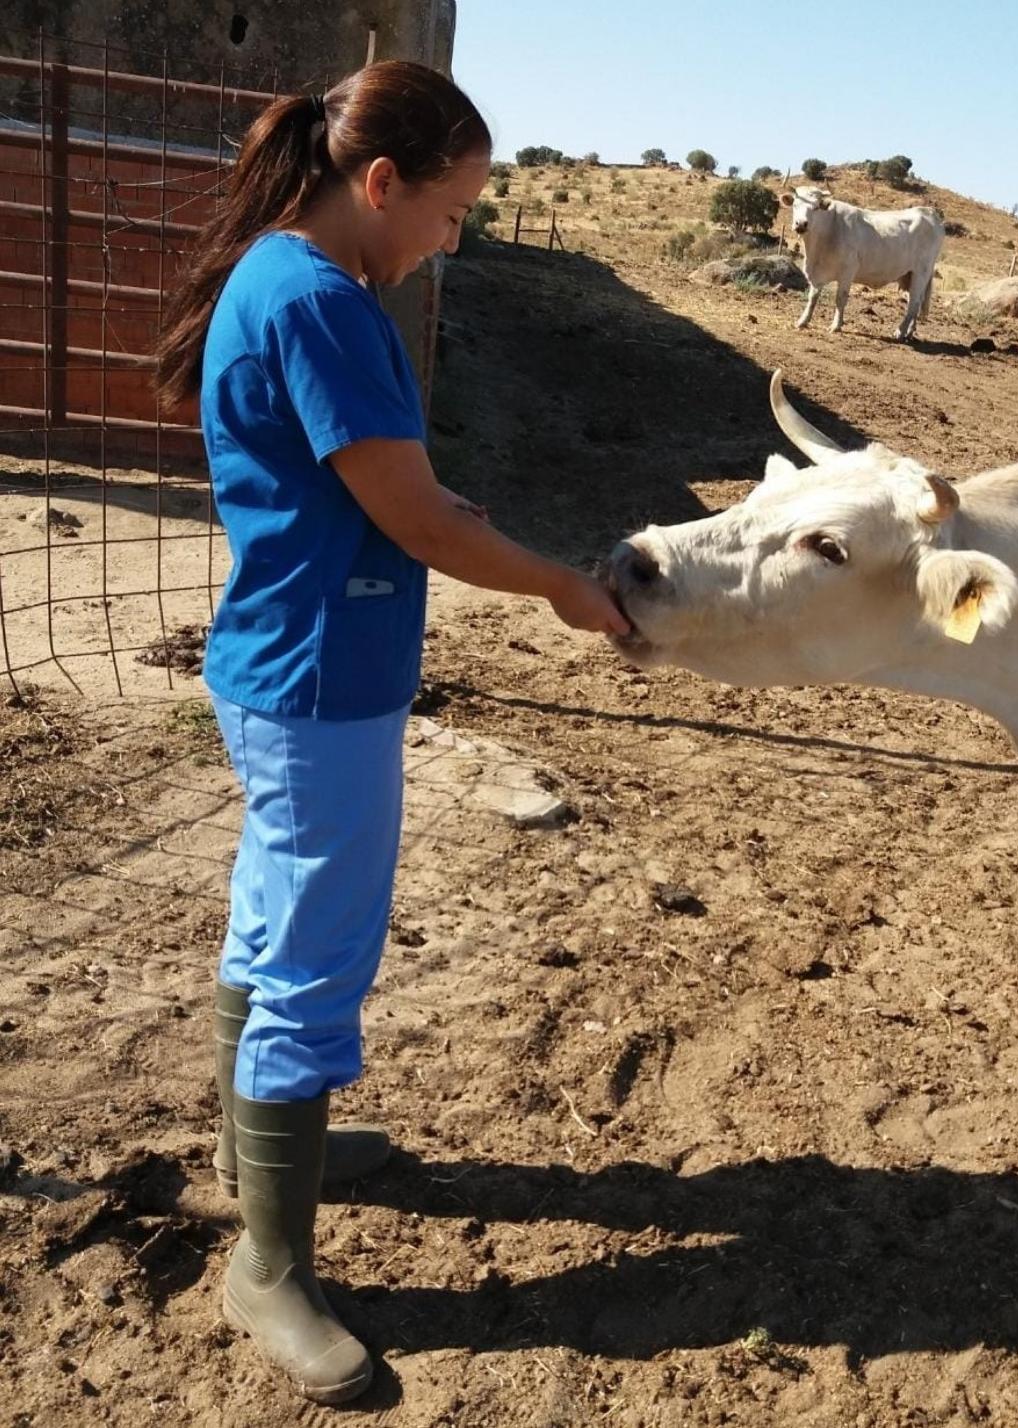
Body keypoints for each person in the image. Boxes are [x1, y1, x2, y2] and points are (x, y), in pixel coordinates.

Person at [155, 60, 628, 1406]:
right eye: (451, 208)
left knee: (271, 916)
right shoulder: (324, 303)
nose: (453, 236)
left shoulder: (291, 277)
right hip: (321, 681)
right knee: (315, 951)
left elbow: (372, 488)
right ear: (380, 184)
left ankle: (265, 1159)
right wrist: (554, 582)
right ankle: (270, 1269)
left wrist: (433, 505)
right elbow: (414, 522)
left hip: (286, 662)